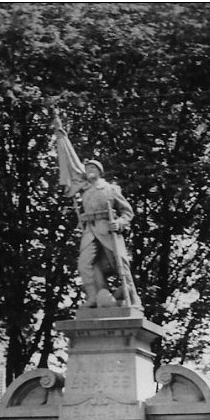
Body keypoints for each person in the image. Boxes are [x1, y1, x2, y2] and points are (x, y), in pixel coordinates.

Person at [53, 114, 141, 308]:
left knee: (121, 265)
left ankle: (132, 297)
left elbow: (128, 212)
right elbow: (72, 165)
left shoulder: (111, 189)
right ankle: (93, 297)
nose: (88, 169)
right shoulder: (84, 189)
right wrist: (61, 136)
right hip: (89, 230)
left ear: (100, 172)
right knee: (84, 265)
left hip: (107, 229)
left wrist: (119, 223)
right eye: (87, 167)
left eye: (93, 167)